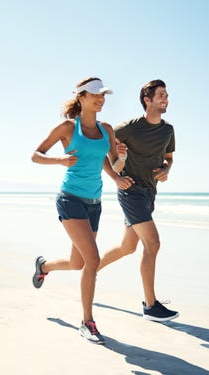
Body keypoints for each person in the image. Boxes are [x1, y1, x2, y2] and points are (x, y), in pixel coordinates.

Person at [30, 77, 133, 344]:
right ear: (81, 97)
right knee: (93, 260)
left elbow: (111, 165)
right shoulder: (67, 127)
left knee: (78, 263)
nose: (101, 99)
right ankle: (88, 322)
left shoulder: (107, 129)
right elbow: (36, 155)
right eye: (95, 94)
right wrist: (59, 160)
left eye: (103, 95)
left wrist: (120, 163)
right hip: (70, 199)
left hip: (94, 203)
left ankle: (44, 266)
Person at [99, 79, 179, 322]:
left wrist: (166, 170)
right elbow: (102, 149)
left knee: (128, 247)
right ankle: (150, 305)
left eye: (167, 95)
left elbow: (168, 158)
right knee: (152, 244)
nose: (166, 99)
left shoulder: (168, 130)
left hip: (149, 194)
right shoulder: (130, 128)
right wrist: (114, 177)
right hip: (130, 192)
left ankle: (90, 271)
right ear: (148, 99)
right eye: (161, 95)